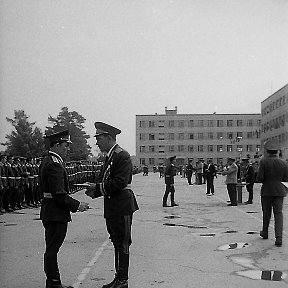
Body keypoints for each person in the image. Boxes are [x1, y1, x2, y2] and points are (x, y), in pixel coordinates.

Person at [85, 122, 139, 288]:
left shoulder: (121, 155)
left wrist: (98, 188)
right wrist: (94, 191)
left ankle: (123, 281)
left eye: (99, 138)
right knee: (116, 242)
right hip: (114, 205)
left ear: (108, 137)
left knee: (122, 243)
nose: (97, 142)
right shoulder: (110, 156)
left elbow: (120, 182)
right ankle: (118, 278)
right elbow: (106, 181)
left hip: (122, 206)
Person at [40, 130, 89, 288]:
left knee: (51, 248)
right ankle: (54, 283)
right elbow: (59, 194)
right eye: (66, 145)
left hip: (50, 211)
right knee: (52, 249)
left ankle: (52, 281)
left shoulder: (49, 160)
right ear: (57, 145)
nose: (68, 148)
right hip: (55, 212)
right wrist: (77, 205)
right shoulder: (54, 164)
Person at [257, 139, 288, 247]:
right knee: (278, 214)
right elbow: (286, 178)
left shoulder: (264, 161)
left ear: (267, 151)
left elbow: (260, 178)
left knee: (266, 213)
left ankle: (265, 232)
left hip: (267, 191)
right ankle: (278, 237)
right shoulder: (284, 163)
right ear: (277, 151)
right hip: (280, 191)